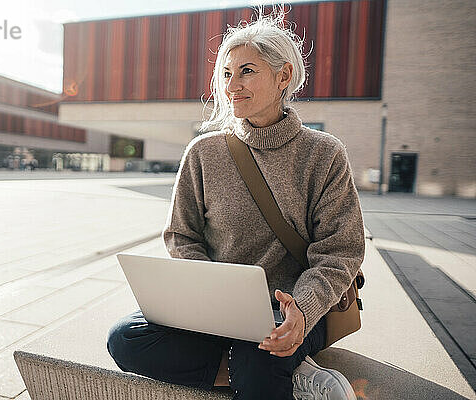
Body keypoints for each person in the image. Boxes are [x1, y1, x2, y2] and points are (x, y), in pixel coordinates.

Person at [107, 9, 364, 400]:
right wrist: (210, 299)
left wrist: (304, 310)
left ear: (283, 77)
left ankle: (272, 363)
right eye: (227, 74)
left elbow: (340, 251)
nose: (232, 86)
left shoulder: (324, 154)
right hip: (217, 311)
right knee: (125, 338)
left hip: (293, 310)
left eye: (247, 71)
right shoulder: (203, 152)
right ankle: (289, 374)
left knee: (260, 353)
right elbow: (182, 235)